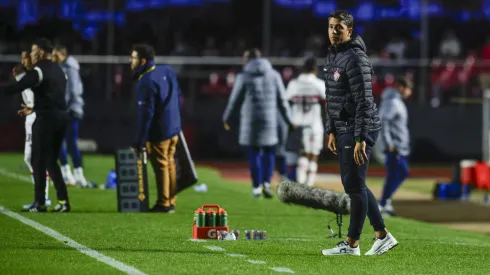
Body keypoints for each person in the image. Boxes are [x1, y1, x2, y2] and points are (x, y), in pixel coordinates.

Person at [321, 10, 398, 256]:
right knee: (356, 184)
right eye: (331, 27)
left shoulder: (355, 58)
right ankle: (382, 235)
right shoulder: (334, 55)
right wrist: (331, 129)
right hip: (344, 127)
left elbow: (365, 101)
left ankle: (352, 243)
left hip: (357, 128)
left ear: (350, 31)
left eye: (339, 28)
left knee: (353, 186)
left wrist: (360, 138)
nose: (334, 31)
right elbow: (331, 97)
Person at [0, 38, 70, 212]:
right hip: (61, 117)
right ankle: (63, 201)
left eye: (33, 51)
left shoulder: (39, 70)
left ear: (40, 52)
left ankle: (40, 203)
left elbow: (17, 86)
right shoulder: (59, 70)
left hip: (46, 119)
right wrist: (35, 107)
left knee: (37, 161)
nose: (31, 54)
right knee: (51, 161)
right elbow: (53, 94)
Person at [222, 48, 295, 198]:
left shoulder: (243, 76)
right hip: (269, 118)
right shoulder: (274, 75)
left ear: (248, 59)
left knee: (254, 153)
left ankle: (256, 187)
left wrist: (227, 118)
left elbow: (234, 100)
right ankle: (267, 183)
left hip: (251, 121)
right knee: (269, 152)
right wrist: (289, 120)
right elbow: (282, 100)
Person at [130, 43, 182, 213]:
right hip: (174, 127)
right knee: (170, 164)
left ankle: (164, 203)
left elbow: (146, 114)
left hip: (160, 130)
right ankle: (171, 200)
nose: (131, 61)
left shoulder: (146, 81)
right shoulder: (166, 70)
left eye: (134, 58)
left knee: (161, 165)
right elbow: (177, 94)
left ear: (143, 61)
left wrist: (139, 141)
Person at [13, 50, 52, 210]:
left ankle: (44, 197)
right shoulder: (26, 75)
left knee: (36, 157)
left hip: (38, 117)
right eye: (22, 58)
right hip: (30, 118)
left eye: (26, 58)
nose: (23, 61)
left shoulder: (37, 76)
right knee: (29, 158)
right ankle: (41, 197)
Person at [52, 45, 89, 187]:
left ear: (63, 55)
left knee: (63, 141)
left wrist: (64, 107)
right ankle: (75, 174)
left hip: (69, 110)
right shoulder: (66, 67)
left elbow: (72, 90)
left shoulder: (69, 68)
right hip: (71, 109)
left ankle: (70, 173)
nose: (54, 58)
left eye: (56, 55)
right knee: (69, 143)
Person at [285, 56, 326, 186]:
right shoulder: (319, 84)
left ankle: (300, 183)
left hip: (296, 123)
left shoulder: (294, 83)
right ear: (315, 69)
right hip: (314, 124)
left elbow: (285, 103)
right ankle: (308, 184)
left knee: (301, 153)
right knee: (313, 154)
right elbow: (328, 103)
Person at [378, 77, 412, 216]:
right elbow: (384, 122)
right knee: (399, 173)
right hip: (394, 146)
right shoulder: (392, 102)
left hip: (398, 146)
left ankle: (386, 203)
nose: (410, 92)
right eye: (409, 88)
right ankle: (383, 203)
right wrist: (389, 143)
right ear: (401, 87)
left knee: (395, 174)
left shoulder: (396, 101)